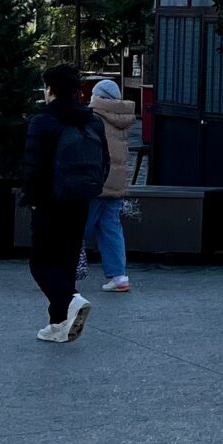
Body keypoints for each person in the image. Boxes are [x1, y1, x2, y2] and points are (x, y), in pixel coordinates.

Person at [21, 63, 102, 342]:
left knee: (41, 262)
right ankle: (58, 325)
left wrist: (31, 198)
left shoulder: (43, 121)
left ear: (51, 90)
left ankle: (70, 301)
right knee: (65, 261)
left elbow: (34, 165)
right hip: (80, 199)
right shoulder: (91, 120)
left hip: (49, 201)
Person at [82, 77, 135, 292]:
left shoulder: (93, 116)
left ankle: (63, 271)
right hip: (116, 182)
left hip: (97, 179)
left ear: (98, 96)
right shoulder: (123, 117)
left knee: (78, 227)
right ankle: (119, 276)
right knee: (111, 228)